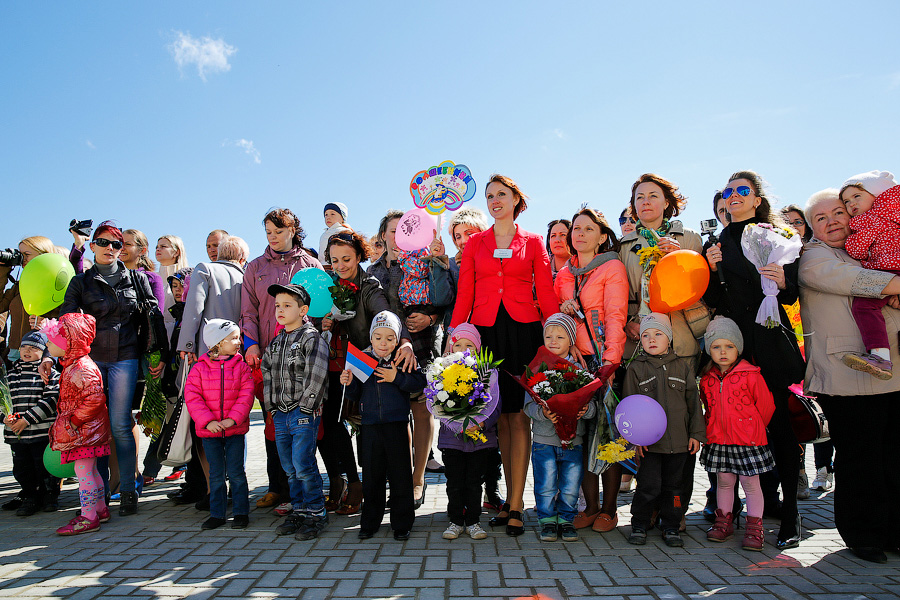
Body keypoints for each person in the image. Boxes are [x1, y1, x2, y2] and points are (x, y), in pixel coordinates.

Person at [450, 174, 560, 537]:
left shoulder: (533, 241)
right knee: (494, 417)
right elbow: (464, 290)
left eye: (502, 195)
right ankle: (503, 502)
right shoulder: (475, 244)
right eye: (490, 196)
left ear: (516, 200)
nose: (495, 201)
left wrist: (554, 334)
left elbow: (545, 290)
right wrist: (454, 335)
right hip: (483, 333)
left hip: (523, 332)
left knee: (517, 417)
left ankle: (515, 504)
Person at [704, 170, 806, 549]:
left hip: (770, 344)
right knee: (742, 433)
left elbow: (792, 294)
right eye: (728, 191)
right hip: (736, 350)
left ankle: (790, 516)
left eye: (741, 190)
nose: (733, 196)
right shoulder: (718, 241)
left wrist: (781, 281)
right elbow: (714, 298)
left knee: (780, 430)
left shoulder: (780, 237)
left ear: (757, 199)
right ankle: (742, 514)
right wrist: (712, 268)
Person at [798, 188, 900, 563]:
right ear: (812, 229)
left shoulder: (870, 247)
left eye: (838, 212)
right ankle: (863, 535)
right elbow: (857, 282)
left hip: (894, 372)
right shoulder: (811, 256)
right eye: (821, 219)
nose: (832, 222)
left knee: (893, 454)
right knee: (860, 458)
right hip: (845, 375)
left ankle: (894, 531)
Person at [619, 173, 707, 522]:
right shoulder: (625, 246)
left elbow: (700, 285)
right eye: (639, 197)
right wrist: (629, 321)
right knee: (646, 431)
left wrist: (682, 257)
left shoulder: (690, 239)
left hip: (681, 342)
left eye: (652, 195)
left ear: (667, 201)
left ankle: (676, 509)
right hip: (640, 346)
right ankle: (648, 507)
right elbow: (623, 295)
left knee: (679, 429)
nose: (645, 202)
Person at [57, 222, 160, 516]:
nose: (109, 249)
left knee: (119, 425)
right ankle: (97, 496)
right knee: (94, 429)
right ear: (92, 246)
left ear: (122, 249)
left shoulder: (137, 280)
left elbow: (152, 319)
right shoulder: (80, 282)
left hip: (125, 357)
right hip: (89, 361)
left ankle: (128, 490)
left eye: (116, 244)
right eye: (102, 243)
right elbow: (67, 321)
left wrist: (157, 355)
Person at [321, 231, 416, 514]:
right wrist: (322, 322)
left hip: (362, 362)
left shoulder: (369, 285)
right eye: (335, 260)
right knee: (333, 425)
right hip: (333, 364)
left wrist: (406, 341)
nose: (340, 265)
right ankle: (348, 481)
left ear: (360, 256)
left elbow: (385, 316)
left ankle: (379, 489)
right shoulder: (329, 285)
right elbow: (312, 315)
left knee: (369, 426)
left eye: (347, 259)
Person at [241, 208, 322, 510]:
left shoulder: (311, 265)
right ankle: (279, 487)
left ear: (293, 230)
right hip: (266, 359)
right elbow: (247, 311)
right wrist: (250, 344)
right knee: (273, 422)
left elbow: (321, 309)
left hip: (302, 358)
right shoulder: (255, 267)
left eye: (278, 231)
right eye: (268, 232)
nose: (273, 237)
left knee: (303, 423)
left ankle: (307, 493)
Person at [554, 207, 628, 532]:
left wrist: (611, 361)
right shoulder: (563, 275)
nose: (579, 234)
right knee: (582, 435)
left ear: (601, 236)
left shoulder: (611, 267)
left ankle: (610, 509)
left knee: (608, 435)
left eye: (587, 229)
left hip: (604, 363)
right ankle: (590, 504)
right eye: (575, 229)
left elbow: (615, 315)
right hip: (575, 365)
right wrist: (563, 310)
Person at [432, 207, 503, 510]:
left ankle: (491, 486)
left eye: (469, 234)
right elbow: (443, 298)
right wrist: (438, 265)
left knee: (488, 412)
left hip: (488, 338)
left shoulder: (493, 256)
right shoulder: (450, 264)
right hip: (460, 342)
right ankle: (460, 490)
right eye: (457, 236)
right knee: (460, 401)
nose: (462, 241)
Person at [368, 211, 438, 510]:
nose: (398, 236)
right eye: (392, 231)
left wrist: (432, 316)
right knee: (397, 414)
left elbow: (443, 296)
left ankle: (418, 478)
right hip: (387, 348)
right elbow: (381, 308)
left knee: (421, 411)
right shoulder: (373, 272)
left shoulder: (424, 262)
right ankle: (396, 478)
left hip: (422, 344)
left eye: (403, 230)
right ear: (383, 235)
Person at [340, 311, 426, 541]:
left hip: (397, 425)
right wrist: (347, 383)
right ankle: (370, 522)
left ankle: (402, 522)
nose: (383, 343)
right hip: (369, 427)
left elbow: (419, 383)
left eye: (390, 338)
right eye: (378, 337)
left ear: (397, 340)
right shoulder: (363, 360)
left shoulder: (401, 359)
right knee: (372, 476)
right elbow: (355, 394)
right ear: (371, 338)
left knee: (401, 477)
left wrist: (395, 378)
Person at [625, 313, 705, 548]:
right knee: (647, 486)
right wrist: (636, 439)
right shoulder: (635, 369)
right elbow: (631, 406)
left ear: (668, 338)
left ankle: (670, 525)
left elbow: (693, 403)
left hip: (680, 442)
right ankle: (639, 524)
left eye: (658, 334)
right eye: (646, 335)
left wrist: (696, 435)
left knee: (674, 488)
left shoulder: (682, 367)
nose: (652, 339)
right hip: (650, 444)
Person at [699, 316, 775, 552]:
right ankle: (724, 521)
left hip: (748, 441)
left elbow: (766, 407)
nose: (723, 352)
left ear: (738, 348)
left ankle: (754, 527)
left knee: (751, 484)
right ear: (709, 350)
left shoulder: (751, 375)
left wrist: (752, 428)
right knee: (724, 481)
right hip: (719, 440)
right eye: (716, 347)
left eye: (729, 346)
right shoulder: (707, 379)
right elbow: (707, 407)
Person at [263, 284, 331, 540]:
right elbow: (267, 372)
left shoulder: (311, 338)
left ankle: (316, 511)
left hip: (303, 411)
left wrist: (307, 405)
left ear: (303, 310)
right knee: (289, 466)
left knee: (303, 464)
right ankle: (300, 509)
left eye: (287, 305)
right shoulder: (277, 341)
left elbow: (317, 373)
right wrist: (271, 407)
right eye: (278, 305)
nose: (280, 310)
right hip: (281, 412)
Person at [524, 313, 595, 543]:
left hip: (574, 440)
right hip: (545, 440)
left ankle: (566, 520)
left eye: (560, 336)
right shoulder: (536, 368)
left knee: (570, 486)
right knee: (545, 485)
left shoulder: (580, 370)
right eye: (549, 336)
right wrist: (542, 413)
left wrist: (586, 411)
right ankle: (546, 522)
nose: (553, 341)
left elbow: (591, 403)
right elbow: (527, 406)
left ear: (571, 341)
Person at [44, 313, 112, 535]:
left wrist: (74, 421)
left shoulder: (80, 368)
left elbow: (95, 398)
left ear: (69, 342)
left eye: (51, 340)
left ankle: (88, 516)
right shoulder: (74, 364)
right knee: (90, 471)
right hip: (88, 430)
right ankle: (99, 509)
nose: (47, 344)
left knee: (82, 472)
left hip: (84, 430)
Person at [183, 319, 253, 531]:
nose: (239, 341)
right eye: (233, 338)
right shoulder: (199, 369)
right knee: (215, 474)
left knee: (236, 473)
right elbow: (193, 397)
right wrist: (208, 421)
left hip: (235, 429)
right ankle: (217, 514)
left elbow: (246, 395)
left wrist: (233, 419)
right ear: (217, 343)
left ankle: (241, 512)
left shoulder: (241, 367)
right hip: (210, 431)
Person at [438, 324, 499, 541]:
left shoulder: (487, 373)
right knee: (454, 482)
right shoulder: (442, 371)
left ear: (479, 348)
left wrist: (481, 424)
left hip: (480, 440)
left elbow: (495, 406)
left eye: (470, 346)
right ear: (451, 347)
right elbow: (438, 404)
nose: (463, 350)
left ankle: (473, 521)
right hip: (452, 440)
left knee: (474, 482)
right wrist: (457, 424)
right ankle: (455, 521)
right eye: (458, 345)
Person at [838, 170, 900, 379]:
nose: (851, 204)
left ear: (876, 195)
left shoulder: (869, 220)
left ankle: (880, 356)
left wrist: (852, 238)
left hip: (888, 267)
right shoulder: (892, 214)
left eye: (857, 196)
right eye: (846, 201)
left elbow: (857, 251)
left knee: (864, 306)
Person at [3, 331, 60, 515]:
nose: (27, 351)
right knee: (22, 468)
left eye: (34, 348)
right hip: (16, 434)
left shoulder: (49, 374)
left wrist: (27, 420)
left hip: (40, 433)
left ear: (44, 352)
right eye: (24, 347)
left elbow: (52, 400)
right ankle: (30, 496)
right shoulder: (10, 375)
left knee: (44, 467)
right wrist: (6, 418)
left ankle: (49, 494)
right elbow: (2, 400)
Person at [0, 236, 61, 362]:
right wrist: (3, 269)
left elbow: (67, 317)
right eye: (20, 254)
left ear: (44, 255)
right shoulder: (20, 286)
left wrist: (47, 322)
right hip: (15, 353)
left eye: (27, 254)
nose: (23, 259)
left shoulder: (58, 284)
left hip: (43, 353)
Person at [156, 235, 189, 339]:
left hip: (179, 335)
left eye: (163, 246)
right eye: (157, 247)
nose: (158, 249)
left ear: (176, 252)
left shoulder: (188, 278)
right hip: (156, 336)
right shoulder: (151, 278)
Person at [120, 230, 165, 305]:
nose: (122, 248)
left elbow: (157, 312)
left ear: (142, 251)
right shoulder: (112, 276)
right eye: (120, 244)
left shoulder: (152, 278)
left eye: (128, 244)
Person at [318, 203, 352, 268]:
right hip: (323, 267)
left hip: (337, 267)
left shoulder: (343, 232)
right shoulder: (325, 233)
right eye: (326, 215)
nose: (328, 217)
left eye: (332, 214)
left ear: (342, 218)